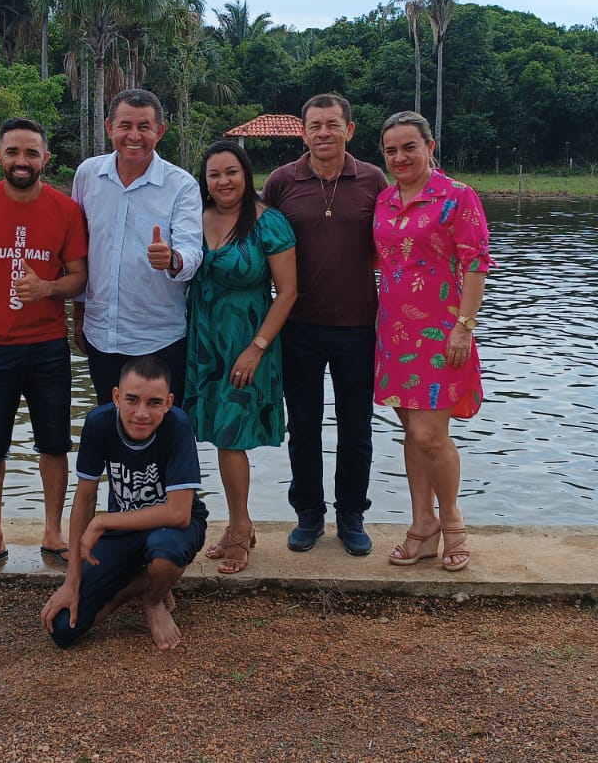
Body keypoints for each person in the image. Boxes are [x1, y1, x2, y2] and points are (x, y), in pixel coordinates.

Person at [0, 117, 89, 575]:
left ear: (46, 158)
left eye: (31, 153)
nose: (22, 161)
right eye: (13, 152)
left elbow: (79, 276)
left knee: (54, 444)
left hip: (48, 346)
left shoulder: (66, 210)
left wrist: (47, 289)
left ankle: (53, 531)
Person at [261, 94, 389, 555]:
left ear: (349, 130)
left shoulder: (373, 179)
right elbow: (257, 239)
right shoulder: (281, 182)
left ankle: (351, 514)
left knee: (357, 427)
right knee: (304, 426)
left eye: (332, 124)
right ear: (303, 132)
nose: (323, 133)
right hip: (299, 326)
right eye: (314, 125)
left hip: (359, 325)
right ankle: (309, 513)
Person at [372, 111, 493, 572]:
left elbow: (477, 263)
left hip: (442, 332)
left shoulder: (456, 196)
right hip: (392, 331)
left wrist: (465, 324)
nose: (400, 157)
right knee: (411, 433)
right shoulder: (383, 200)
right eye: (391, 150)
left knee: (430, 434)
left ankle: (453, 521)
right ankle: (422, 525)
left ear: (430, 146)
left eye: (409, 147)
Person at [40, 355, 209, 651]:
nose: (141, 413)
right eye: (132, 400)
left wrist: (104, 521)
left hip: (172, 527)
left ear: (168, 402)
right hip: (127, 527)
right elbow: (85, 497)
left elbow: (179, 513)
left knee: (166, 553)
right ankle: (140, 583)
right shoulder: (98, 423)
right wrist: (72, 580)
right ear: (116, 396)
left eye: (154, 403)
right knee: (65, 628)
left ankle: (154, 600)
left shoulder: (179, 426)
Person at [185, 141, 298, 575]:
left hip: (247, 341)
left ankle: (239, 525)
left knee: (232, 435)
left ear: (246, 174)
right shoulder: (196, 218)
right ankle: (231, 523)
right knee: (211, 430)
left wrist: (256, 348)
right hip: (201, 340)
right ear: (205, 180)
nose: (223, 181)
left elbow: (288, 292)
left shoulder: (269, 222)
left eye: (231, 172)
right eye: (214, 174)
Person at [71, 88, 203, 413]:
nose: (134, 136)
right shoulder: (88, 175)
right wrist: (79, 318)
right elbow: (77, 250)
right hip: (102, 335)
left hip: (160, 338)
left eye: (144, 127)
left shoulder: (181, 185)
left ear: (159, 131)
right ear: (109, 128)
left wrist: (172, 258)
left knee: (162, 436)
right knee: (111, 430)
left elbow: (192, 251)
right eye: (125, 125)